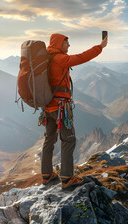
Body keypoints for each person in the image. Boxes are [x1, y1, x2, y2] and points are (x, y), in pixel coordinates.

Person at [41, 33, 108, 189]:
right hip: (60, 108)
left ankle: (46, 175)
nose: (69, 46)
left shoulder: (47, 59)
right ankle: (67, 178)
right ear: (58, 44)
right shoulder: (59, 59)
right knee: (68, 140)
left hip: (47, 107)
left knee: (49, 139)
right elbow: (81, 57)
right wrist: (100, 47)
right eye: (66, 43)